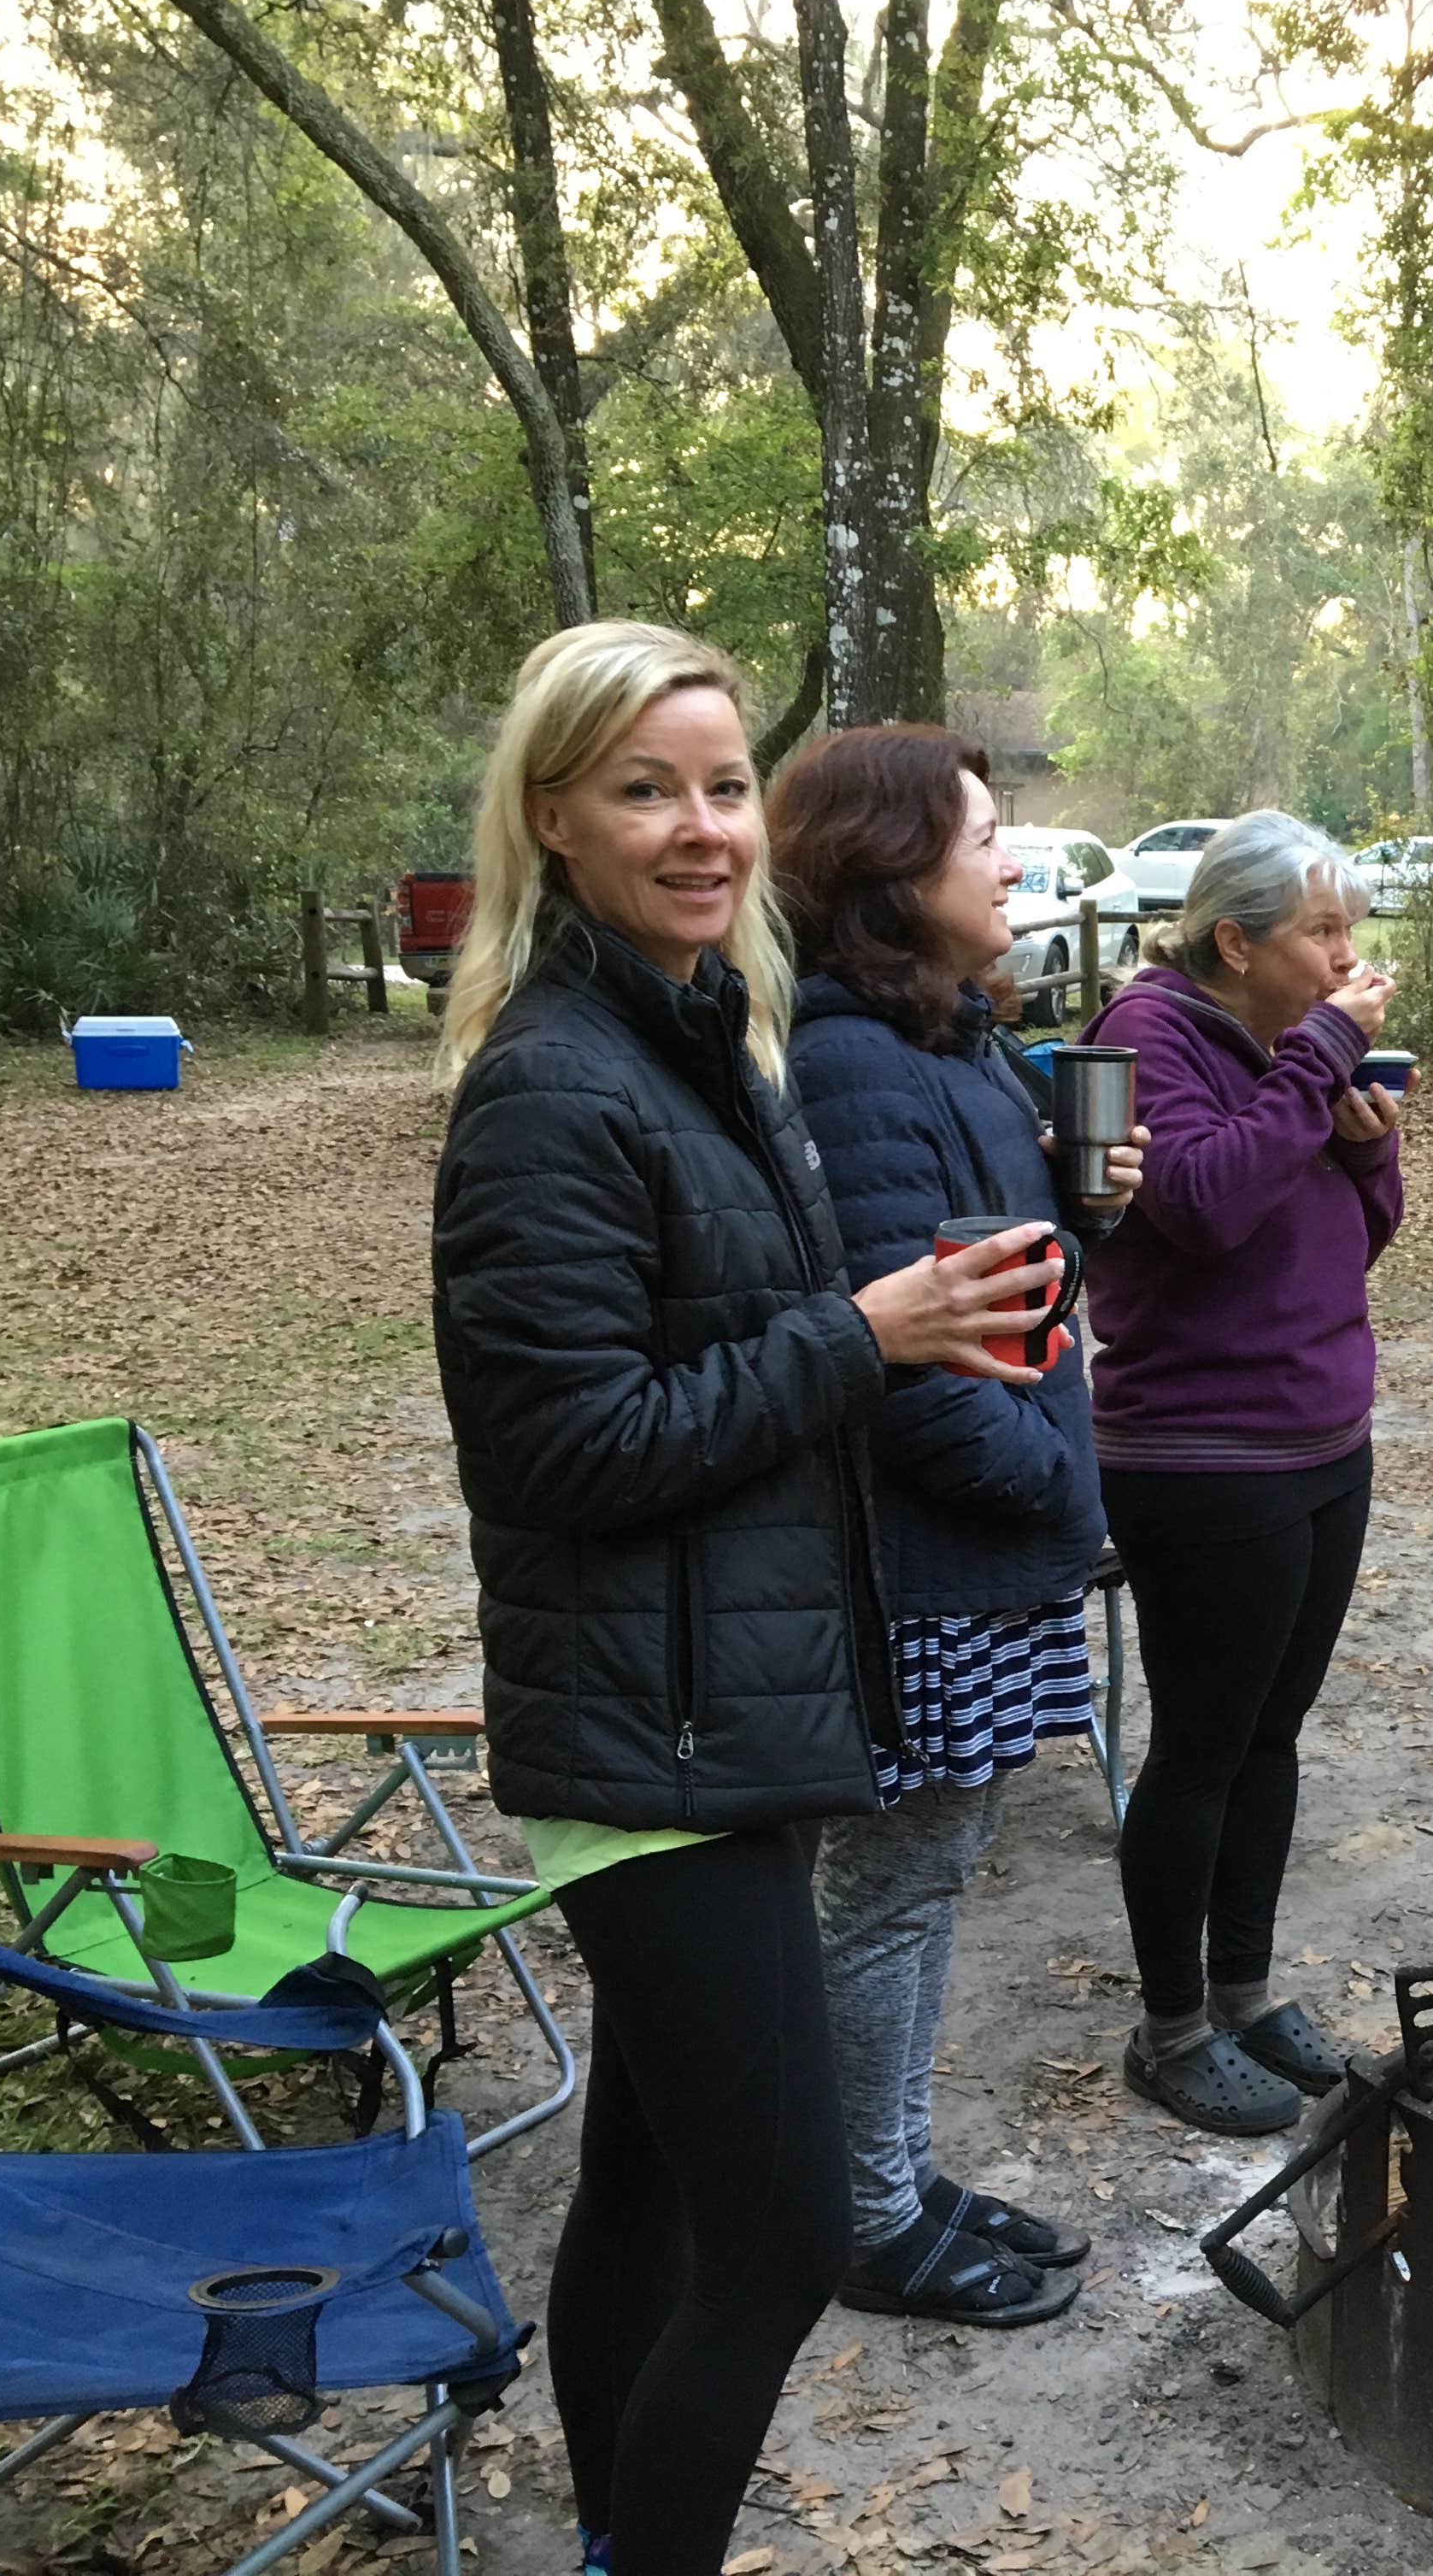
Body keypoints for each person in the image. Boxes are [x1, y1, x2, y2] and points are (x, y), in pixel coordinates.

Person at [430, 624, 1062, 2576]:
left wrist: (898, 1338)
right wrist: (861, 1341)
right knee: (783, 2231)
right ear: (555, 816)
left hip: (734, 1703)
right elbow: (562, 1454)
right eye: (646, 789)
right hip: (652, 1738)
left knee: (650, 2195)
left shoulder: (701, 1035)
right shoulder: (554, 1086)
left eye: (721, 787)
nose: (701, 829)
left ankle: (619, 2527)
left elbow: (758, 1357)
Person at [776, 723, 1143, 2327]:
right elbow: (899, 1363)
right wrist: (1061, 1486)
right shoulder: (854, 1062)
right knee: (893, 1890)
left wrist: (1094, 1207)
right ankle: (862, 2217)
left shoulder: (952, 1037)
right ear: (890, 873)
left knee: (929, 1881)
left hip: (991, 1552)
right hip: (932, 1565)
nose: (1010, 857)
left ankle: (890, 2171)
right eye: (984, 833)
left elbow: (1010, 1288)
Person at [1083, 811, 1402, 2135]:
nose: (1346, 959)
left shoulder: (1280, 1049)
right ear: (1236, 940)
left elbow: (1352, 1235)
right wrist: (1323, 1055)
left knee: (1270, 1735)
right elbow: (1203, 1205)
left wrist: (1365, 1140)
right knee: (1201, 1748)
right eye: (1324, 933)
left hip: (1323, 1438)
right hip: (1204, 1456)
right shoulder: (1145, 1036)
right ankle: (1169, 2029)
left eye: (1348, 933)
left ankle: (1248, 1993)